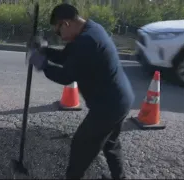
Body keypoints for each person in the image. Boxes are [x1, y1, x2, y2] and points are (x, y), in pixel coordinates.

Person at [28, 3, 135, 180]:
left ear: (66, 24)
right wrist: (44, 51)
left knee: (81, 147)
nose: (60, 37)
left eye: (58, 31)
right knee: (111, 143)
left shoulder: (86, 41)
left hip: (108, 106)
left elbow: (65, 76)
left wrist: (42, 64)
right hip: (121, 99)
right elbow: (65, 57)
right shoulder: (91, 29)